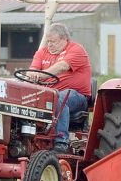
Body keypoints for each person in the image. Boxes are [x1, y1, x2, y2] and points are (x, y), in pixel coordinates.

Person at [29, 23, 91, 154]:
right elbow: (31, 71)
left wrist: (41, 75)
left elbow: (62, 66)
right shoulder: (42, 53)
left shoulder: (76, 50)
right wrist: (33, 75)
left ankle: (61, 142)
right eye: (48, 41)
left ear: (64, 39)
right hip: (47, 94)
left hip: (76, 96)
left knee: (60, 97)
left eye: (53, 42)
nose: (49, 45)